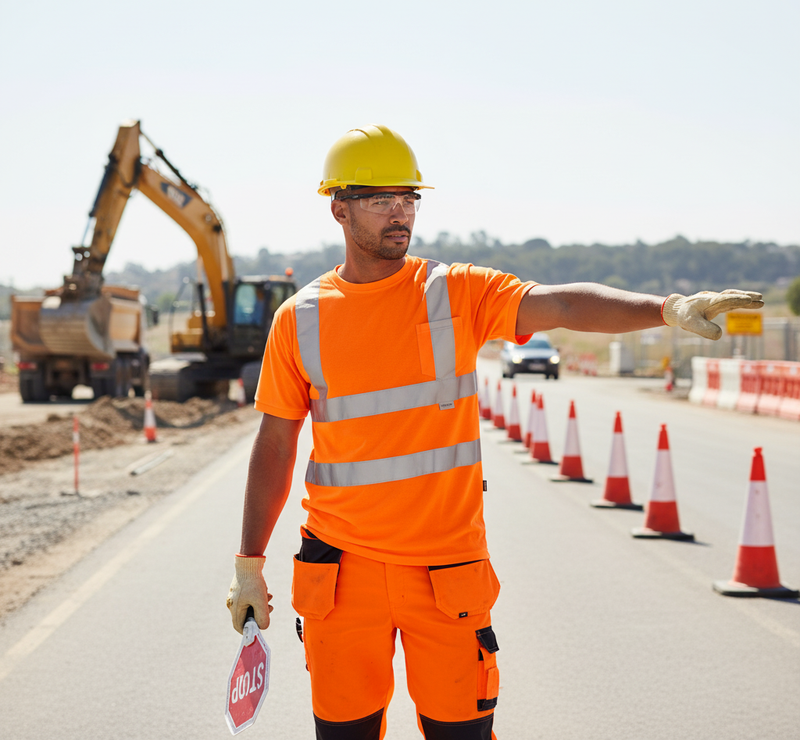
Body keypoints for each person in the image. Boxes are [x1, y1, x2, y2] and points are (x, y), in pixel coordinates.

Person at [227, 124, 762, 740]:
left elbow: (561, 305)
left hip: (446, 572)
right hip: (342, 575)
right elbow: (276, 443)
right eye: (381, 199)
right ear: (338, 207)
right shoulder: (301, 319)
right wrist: (248, 563)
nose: (400, 214)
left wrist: (663, 308)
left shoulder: (453, 292)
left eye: (410, 198)